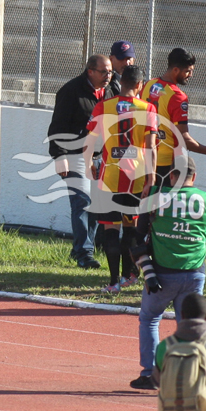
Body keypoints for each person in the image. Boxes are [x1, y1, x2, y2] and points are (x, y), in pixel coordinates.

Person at [131, 157, 206, 391]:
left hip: (161, 274)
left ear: (171, 175)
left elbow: (139, 232)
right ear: (195, 176)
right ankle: (191, 376)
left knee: (150, 319)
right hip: (194, 274)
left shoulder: (156, 196)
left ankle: (150, 374)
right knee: (190, 325)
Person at [84, 65, 158, 293]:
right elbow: (152, 147)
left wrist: (88, 163)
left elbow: (89, 139)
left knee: (110, 229)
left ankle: (113, 281)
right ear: (139, 85)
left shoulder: (103, 106)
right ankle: (128, 276)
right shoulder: (147, 108)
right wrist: (151, 177)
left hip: (110, 175)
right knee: (131, 227)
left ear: (121, 82)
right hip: (134, 177)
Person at [47, 54, 120, 269]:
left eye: (110, 72)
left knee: (96, 205)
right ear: (90, 71)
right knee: (82, 202)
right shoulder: (71, 91)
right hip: (74, 154)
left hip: (98, 156)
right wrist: (59, 156)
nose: (108, 76)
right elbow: (57, 127)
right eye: (104, 72)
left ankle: (84, 247)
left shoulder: (110, 90)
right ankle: (84, 253)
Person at [141, 48, 206, 184]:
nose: (191, 75)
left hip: (145, 158)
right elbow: (184, 138)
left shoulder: (148, 85)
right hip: (165, 164)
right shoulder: (177, 96)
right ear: (175, 70)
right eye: (188, 71)